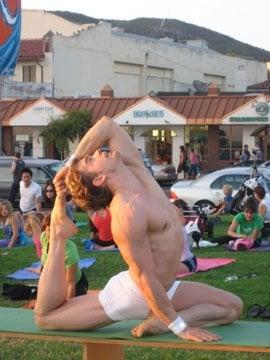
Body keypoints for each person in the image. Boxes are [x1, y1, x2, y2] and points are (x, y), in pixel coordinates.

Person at [35, 116, 242, 343]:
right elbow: (144, 277)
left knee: (233, 308)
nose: (97, 152)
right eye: (91, 160)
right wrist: (180, 327)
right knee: (46, 317)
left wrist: (69, 165)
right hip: (136, 294)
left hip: (165, 287)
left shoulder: (138, 174)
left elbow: (107, 125)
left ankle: (160, 320)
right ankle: (58, 234)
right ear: (99, 179)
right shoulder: (127, 213)